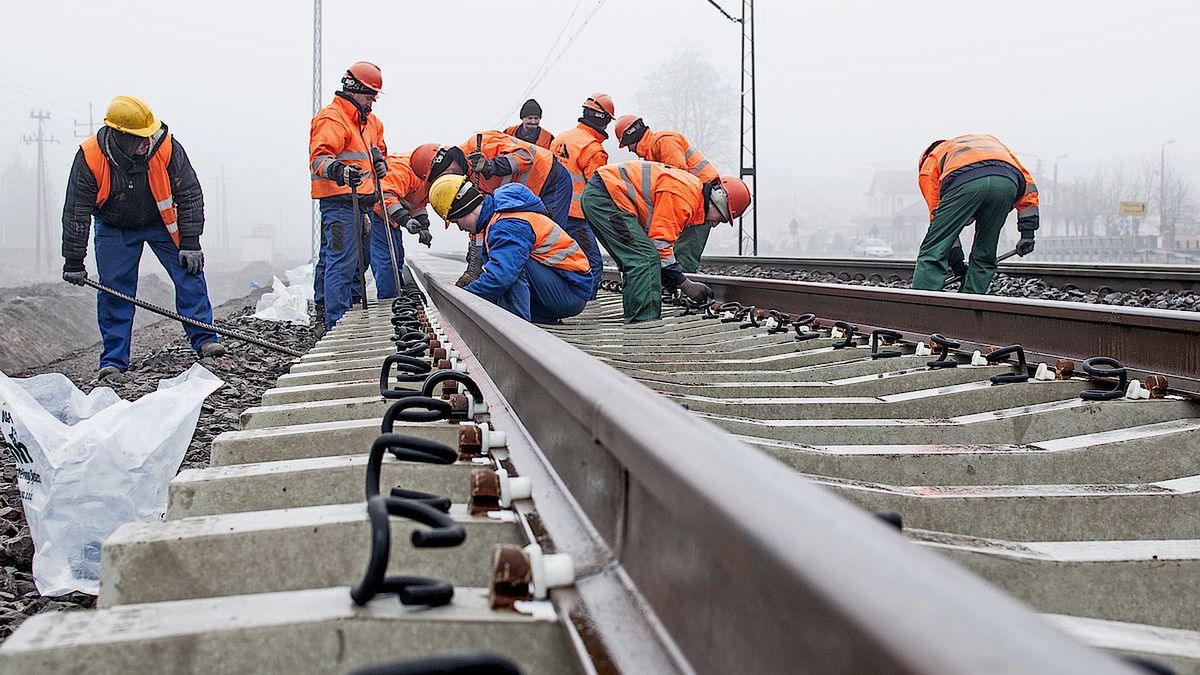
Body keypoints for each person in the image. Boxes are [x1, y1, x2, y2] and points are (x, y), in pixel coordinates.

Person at [61, 95, 222, 383]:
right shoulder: (90, 157)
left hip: (161, 223)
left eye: (148, 135)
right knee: (114, 291)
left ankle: (205, 340)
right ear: (119, 136)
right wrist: (73, 260)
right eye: (139, 138)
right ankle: (114, 361)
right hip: (114, 227)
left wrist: (191, 243)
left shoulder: (167, 146)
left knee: (189, 272)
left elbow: (190, 194)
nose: (146, 142)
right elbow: (76, 211)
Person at [580, 161, 750, 322]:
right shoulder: (684, 199)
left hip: (604, 196)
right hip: (606, 199)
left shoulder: (691, 194)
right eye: (721, 218)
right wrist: (685, 284)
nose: (714, 224)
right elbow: (660, 247)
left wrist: (672, 282)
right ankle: (644, 324)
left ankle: (634, 316)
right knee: (644, 258)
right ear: (719, 200)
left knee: (637, 257)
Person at [428, 175, 591, 323]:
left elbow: (501, 277)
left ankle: (517, 326)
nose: (461, 228)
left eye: (456, 222)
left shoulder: (506, 225)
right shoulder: (497, 219)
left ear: (464, 210)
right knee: (505, 268)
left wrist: (464, 296)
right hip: (561, 287)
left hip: (570, 292)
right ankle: (538, 316)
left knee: (508, 269)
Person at [309, 61, 397, 332]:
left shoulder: (369, 121)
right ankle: (336, 323)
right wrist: (339, 171)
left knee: (359, 262)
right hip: (340, 205)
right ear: (354, 89)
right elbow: (319, 160)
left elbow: (377, 147)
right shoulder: (332, 119)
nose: (373, 101)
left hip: (363, 204)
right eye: (370, 95)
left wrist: (380, 160)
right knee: (341, 264)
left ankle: (350, 311)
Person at [914, 134, 1039, 294]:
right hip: (1006, 181)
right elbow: (1028, 186)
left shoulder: (929, 163)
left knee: (934, 248)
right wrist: (1028, 233)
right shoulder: (989, 143)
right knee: (985, 253)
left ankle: (922, 304)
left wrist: (957, 263)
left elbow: (939, 222)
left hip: (964, 180)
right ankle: (969, 303)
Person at [614, 115, 721, 273]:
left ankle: (684, 290)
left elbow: (677, 179)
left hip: (701, 202)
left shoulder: (664, 140)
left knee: (684, 252)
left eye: (627, 145)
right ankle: (676, 287)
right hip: (693, 200)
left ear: (632, 137)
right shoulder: (653, 149)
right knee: (675, 248)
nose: (629, 150)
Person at [551, 93, 615, 297]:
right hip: (577, 216)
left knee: (561, 260)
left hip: (552, 211)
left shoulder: (562, 138)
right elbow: (600, 189)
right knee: (593, 264)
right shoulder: (593, 149)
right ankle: (586, 304)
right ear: (604, 119)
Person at [379, 143, 438, 249]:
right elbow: (385, 196)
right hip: (377, 215)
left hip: (392, 219)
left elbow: (418, 204)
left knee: (396, 259)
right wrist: (406, 220)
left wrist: (424, 227)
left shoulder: (429, 176)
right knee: (386, 261)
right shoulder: (402, 168)